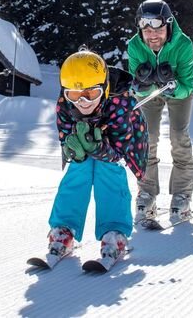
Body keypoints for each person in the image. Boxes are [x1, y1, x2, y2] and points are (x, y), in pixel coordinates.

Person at [45, 49, 148, 261]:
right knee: (78, 170)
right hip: (87, 139)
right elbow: (66, 134)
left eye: (91, 94)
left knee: (108, 171)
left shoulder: (121, 101)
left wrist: (97, 148)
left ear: (104, 87)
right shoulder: (65, 103)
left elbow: (119, 150)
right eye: (74, 94)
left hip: (120, 141)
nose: (83, 102)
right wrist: (76, 151)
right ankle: (64, 228)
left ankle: (114, 232)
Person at [127, 0, 193, 222]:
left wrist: (173, 85)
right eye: (145, 28)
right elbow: (134, 84)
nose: (152, 35)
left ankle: (182, 195)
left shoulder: (183, 45)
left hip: (178, 93)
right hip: (151, 95)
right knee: (147, 137)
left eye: (156, 26)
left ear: (168, 24)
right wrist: (142, 83)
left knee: (179, 137)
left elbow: (188, 86)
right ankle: (147, 193)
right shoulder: (135, 46)